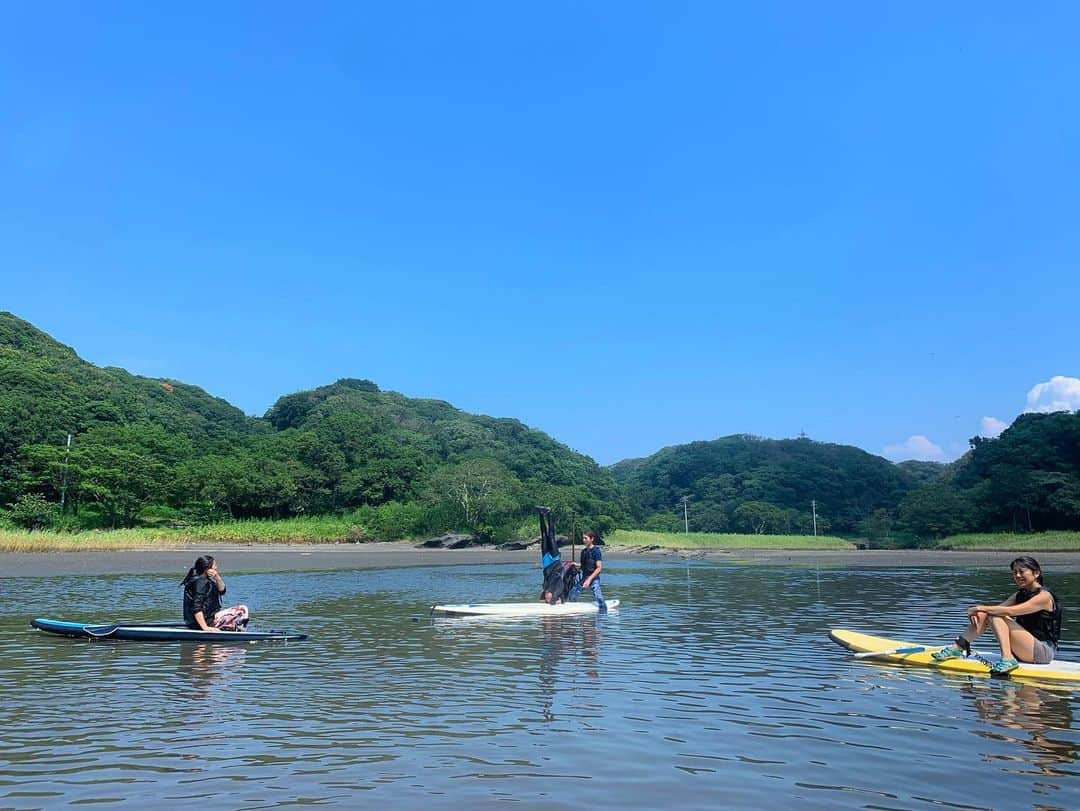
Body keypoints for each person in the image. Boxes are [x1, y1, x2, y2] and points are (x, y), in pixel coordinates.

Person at [932, 556, 1061, 674]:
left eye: (1021, 572)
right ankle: (958, 647)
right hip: (1024, 648)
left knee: (996, 614)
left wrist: (976, 608)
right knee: (986, 613)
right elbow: (997, 609)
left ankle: (1007, 659)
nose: (1017, 575)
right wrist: (979, 611)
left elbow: (1008, 612)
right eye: (1015, 572)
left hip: (1042, 652)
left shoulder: (1044, 597)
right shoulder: (1019, 594)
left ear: (1036, 573)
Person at [181, 555, 250, 632]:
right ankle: (241, 633)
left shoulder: (206, 580)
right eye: (215, 565)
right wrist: (205, 628)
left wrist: (217, 577)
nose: (216, 568)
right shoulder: (200, 582)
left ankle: (228, 628)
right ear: (207, 569)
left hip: (206, 619)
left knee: (236, 617)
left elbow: (222, 591)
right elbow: (197, 607)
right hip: (204, 622)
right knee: (242, 609)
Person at [537, 507, 574, 605]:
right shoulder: (557, 589)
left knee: (544, 537)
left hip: (546, 563)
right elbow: (561, 599)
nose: (547, 597)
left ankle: (541, 514)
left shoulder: (545, 589)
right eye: (548, 598)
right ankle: (549, 513)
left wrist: (545, 600)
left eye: (547, 598)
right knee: (551, 536)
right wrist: (558, 601)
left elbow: (540, 601)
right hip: (555, 561)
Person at [567, 529, 607, 612]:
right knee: (572, 595)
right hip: (584, 578)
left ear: (592, 539)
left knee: (599, 598)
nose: (584, 540)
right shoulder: (584, 552)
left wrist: (589, 580)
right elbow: (585, 565)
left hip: (594, 578)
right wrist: (576, 564)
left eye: (586, 538)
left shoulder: (596, 551)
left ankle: (603, 616)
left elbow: (599, 568)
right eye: (583, 538)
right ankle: (574, 612)